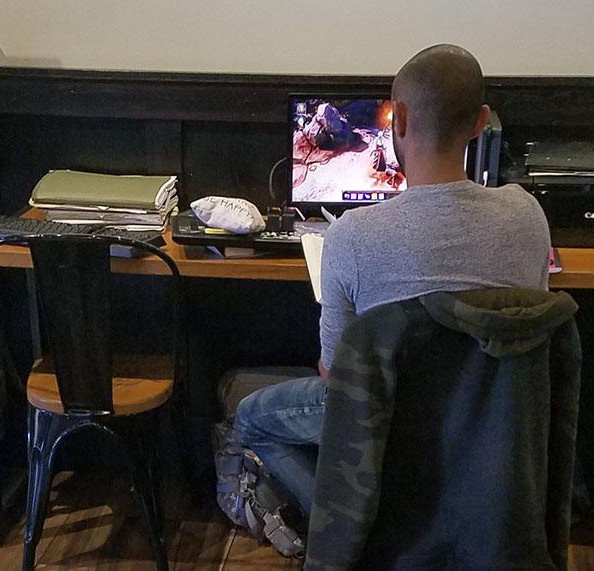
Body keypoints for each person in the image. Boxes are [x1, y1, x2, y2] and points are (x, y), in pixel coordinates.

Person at [234, 43, 551, 516]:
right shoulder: (528, 215)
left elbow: (337, 378)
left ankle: (340, 530)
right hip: (490, 426)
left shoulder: (351, 237)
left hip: (388, 423)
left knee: (250, 419)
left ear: (397, 120)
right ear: (481, 122)